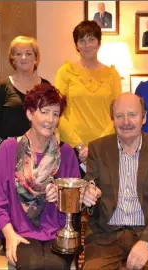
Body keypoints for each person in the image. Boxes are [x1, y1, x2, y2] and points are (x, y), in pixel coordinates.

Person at [0, 84, 81, 270]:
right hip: (20, 231)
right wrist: (9, 235)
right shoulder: (9, 149)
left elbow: (75, 204)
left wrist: (61, 197)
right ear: (30, 114)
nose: (50, 120)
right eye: (44, 112)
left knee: (54, 266)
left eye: (56, 114)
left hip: (57, 232)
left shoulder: (66, 152)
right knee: (33, 266)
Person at [81, 92, 148, 270]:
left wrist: (147, 242)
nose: (126, 121)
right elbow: (90, 183)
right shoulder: (97, 148)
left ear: (144, 117)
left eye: (132, 115)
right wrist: (88, 193)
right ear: (113, 119)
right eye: (119, 116)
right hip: (106, 236)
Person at [55, 20, 122, 176]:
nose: (87, 45)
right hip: (72, 149)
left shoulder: (112, 75)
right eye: (82, 40)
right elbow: (57, 112)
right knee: (72, 198)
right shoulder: (65, 72)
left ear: (99, 42)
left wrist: (95, 146)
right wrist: (79, 146)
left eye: (91, 39)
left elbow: (118, 114)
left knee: (103, 198)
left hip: (105, 148)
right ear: (76, 45)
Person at [0, 35, 50, 170]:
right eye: (18, 54)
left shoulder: (46, 86)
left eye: (28, 53)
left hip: (39, 154)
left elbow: (51, 122)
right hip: (8, 154)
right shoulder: (2, 86)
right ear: (12, 59)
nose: (24, 58)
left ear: (36, 58)